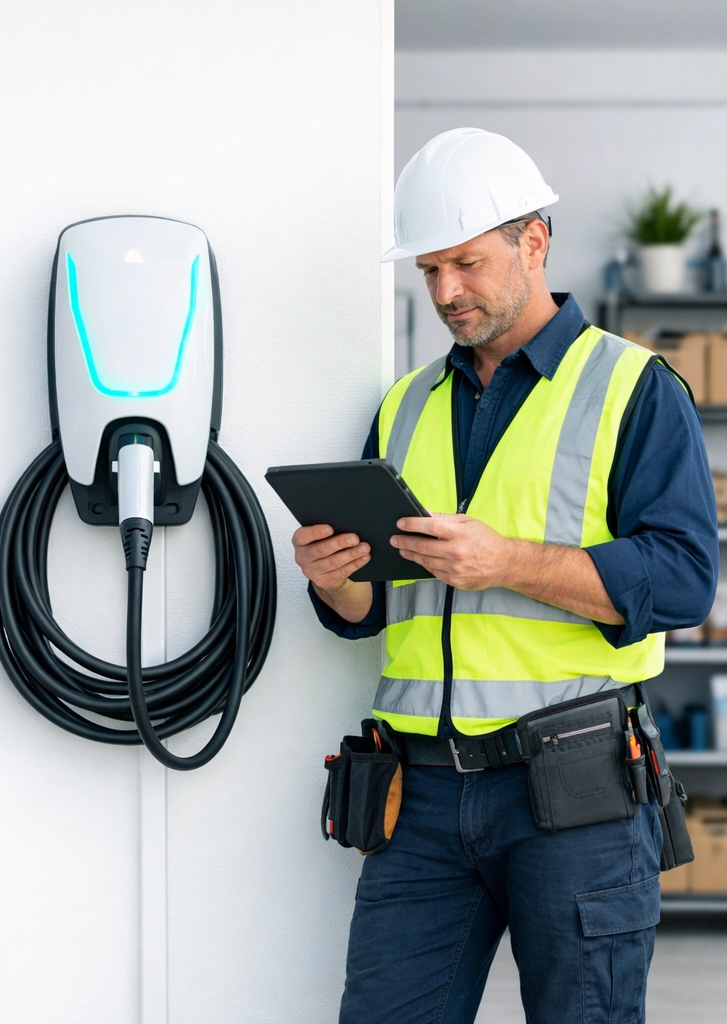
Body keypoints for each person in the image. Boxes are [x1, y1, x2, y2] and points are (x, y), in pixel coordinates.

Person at [296, 128, 718, 1024]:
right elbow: (375, 609)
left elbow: (684, 580)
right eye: (429, 271)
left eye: (466, 264)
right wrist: (336, 581)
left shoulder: (632, 387)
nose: (446, 292)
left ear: (534, 241)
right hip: (420, 797)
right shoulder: (406, 404)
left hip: (575, 795)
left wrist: (509, 562)